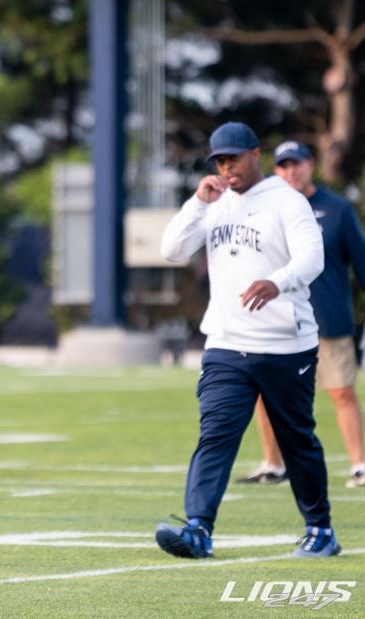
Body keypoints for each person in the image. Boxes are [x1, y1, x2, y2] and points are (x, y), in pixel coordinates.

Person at [156, 121, 339, 559]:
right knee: (215, 433)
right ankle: (198, 528)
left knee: (296, 439)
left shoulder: (286, 200)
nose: (226, 167)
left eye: (233, 158)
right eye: (219, 160)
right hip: (226, 343)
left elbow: (312, 258)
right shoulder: (214, 203)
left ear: (256, 154)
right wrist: (198, 203)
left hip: (285, 345)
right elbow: (172, 250)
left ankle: (320, 529)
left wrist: (277, 283)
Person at [235, 141, 365, 489]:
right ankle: (274, 464)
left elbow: (362, 264)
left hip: (328, 319)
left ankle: (360, 464)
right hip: (278, 322)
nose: (291, 171)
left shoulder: (337, 209)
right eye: (283, 165)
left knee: (341, 391)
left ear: (311, 165)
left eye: (297, 163)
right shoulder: (267, 209)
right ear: (275, 170)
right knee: (265, 393)